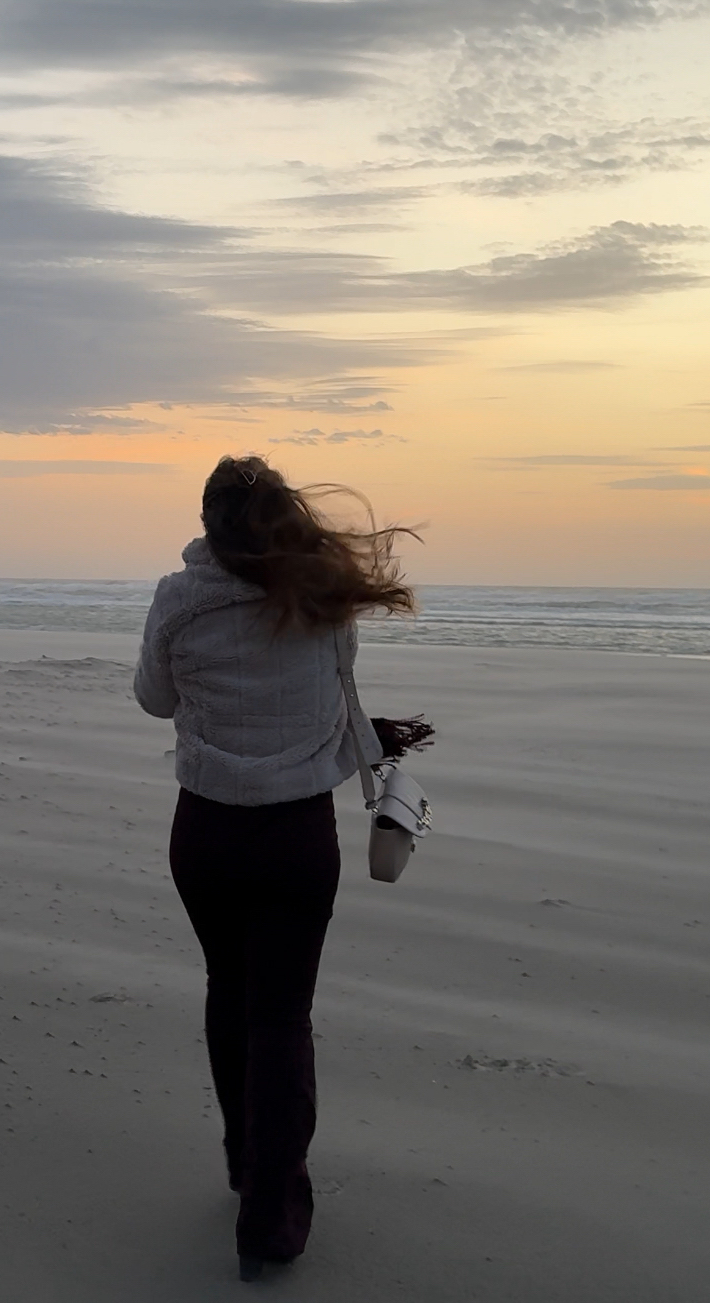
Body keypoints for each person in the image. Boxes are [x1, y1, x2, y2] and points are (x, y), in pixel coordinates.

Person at [133, 454, 423, 1282]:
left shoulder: (178, 596)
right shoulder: (321, 596)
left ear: (207, 520)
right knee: (281, 1017)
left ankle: (243, 1161)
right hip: (296, 833)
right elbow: (336, 692)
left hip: (206, 828)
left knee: (229, 991)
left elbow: (154, 698)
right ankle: (272, 1214)